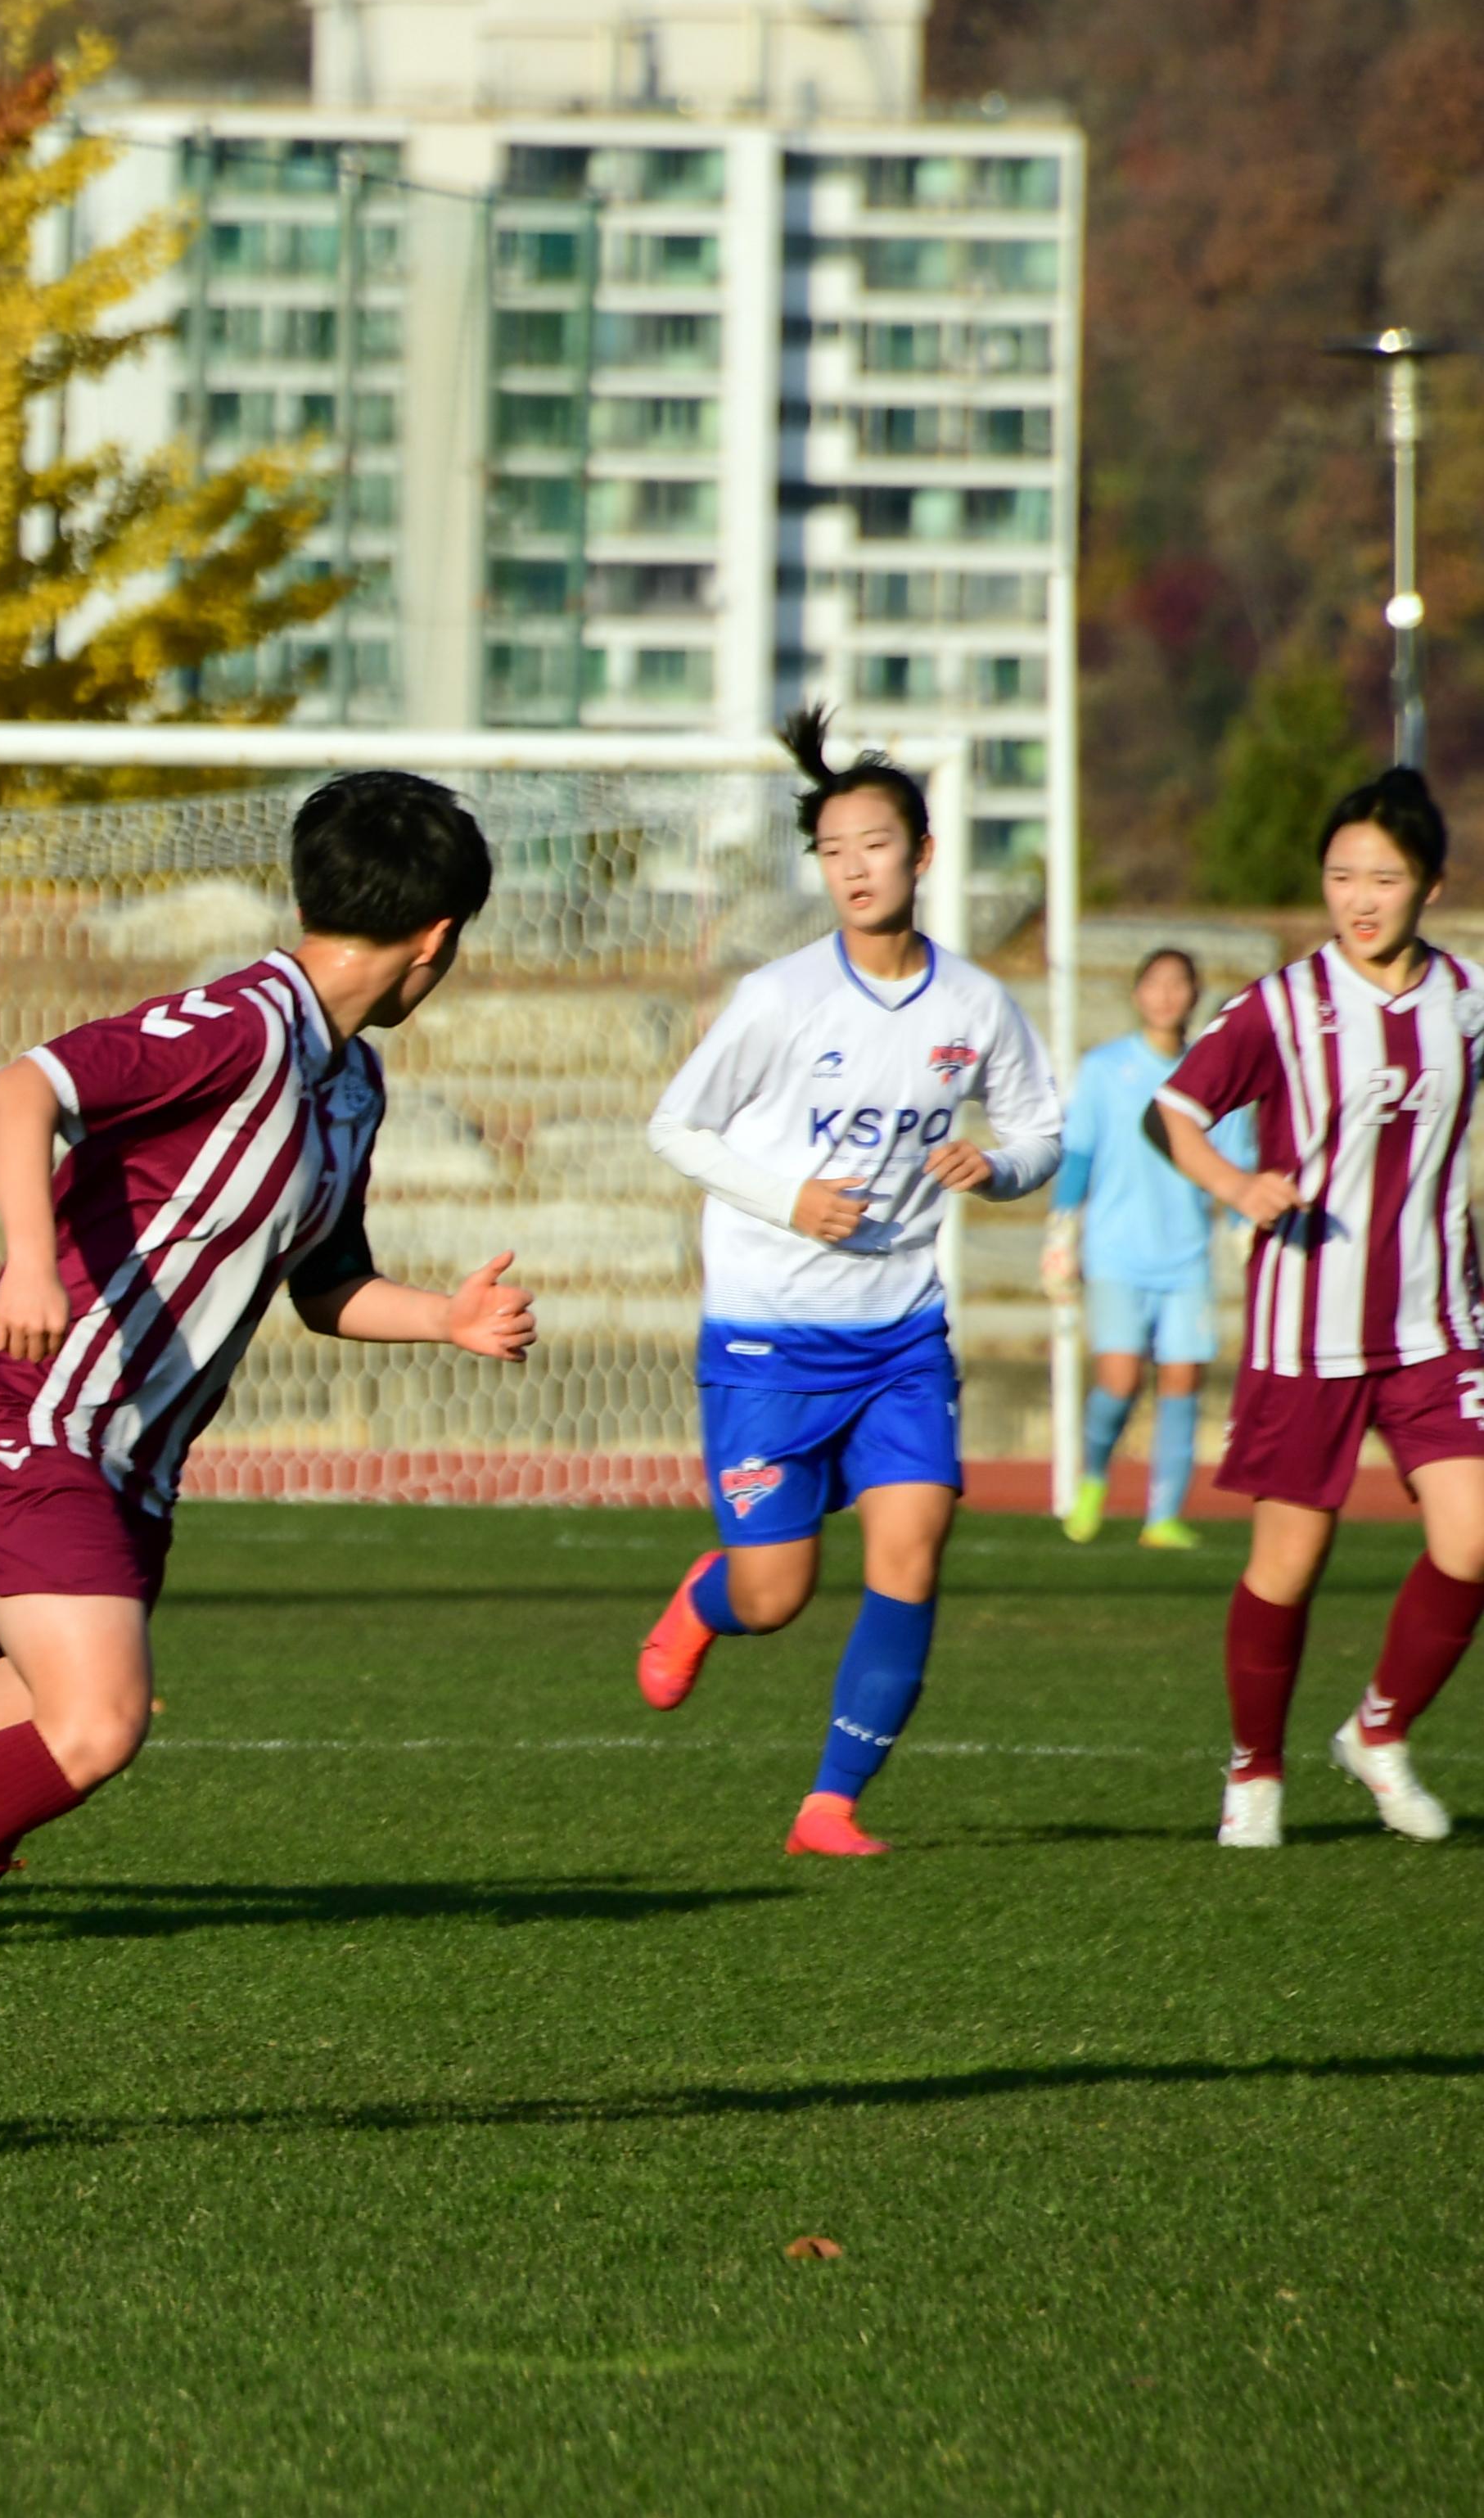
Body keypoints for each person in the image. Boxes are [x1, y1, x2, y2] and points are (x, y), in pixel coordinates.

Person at [0, 771, 532, 2145]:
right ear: (438, 936)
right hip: (26, 1409)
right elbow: (24, 1086)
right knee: (100, 1723)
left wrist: (442, 1321)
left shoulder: (351, 1083)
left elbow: (322, 1282)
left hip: (120, 1462)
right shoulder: (241, 1020)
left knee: (6, 1772)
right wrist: (21, 1254)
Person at [629, 714, 1058, 1857]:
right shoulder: (779, 999)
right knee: (775, 1596)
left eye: (875, 843)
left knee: (913, 1543)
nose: (856, 867)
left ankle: (831, 1804)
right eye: (834, 850)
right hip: (769, 1342)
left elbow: (1037, 1130)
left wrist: (999, 1164)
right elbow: (677, 1126)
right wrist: (789, 1200)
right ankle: (703, 1601)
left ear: (922, 854)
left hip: (902, 1336)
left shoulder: (972, 1005)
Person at [1148, 767, 1478, 1849]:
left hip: (1438, 1325)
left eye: (1384, 875)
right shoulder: (1284, 1006)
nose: (1360, 897)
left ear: (1430, 882)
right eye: (1342, 875)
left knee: (1473, 1543)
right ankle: (1255, 1769)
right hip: (1308, 1330)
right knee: (1288, 1566)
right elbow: (1177, 1111)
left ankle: (1378, 1733)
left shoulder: (1468, 1001)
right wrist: (1238, 1186)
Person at [1049, 946, 1248, 1547]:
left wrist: (1244, 1231)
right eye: (1154, 983)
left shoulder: (1215, 1073)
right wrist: (1062, 1230)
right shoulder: (1107, 1068)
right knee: (1118, 1379)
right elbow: (1080, 1154)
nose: (1165, 995)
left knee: (1183, 1381)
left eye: (1178, 984)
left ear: (1194, 996)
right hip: (1115, 1253)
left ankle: (1163, 1516)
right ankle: (1092, 1481)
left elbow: (1236, 1165)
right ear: (1137, 993)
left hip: (1186, 1256)